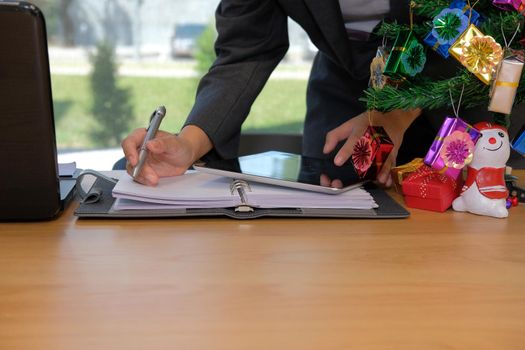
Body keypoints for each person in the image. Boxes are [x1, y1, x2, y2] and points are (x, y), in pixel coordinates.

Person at [122, 0, 431, 187]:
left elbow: (472, 22)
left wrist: (394, 111)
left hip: (453, 89)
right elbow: (246, 51)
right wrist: (189, 145)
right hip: (343, 95)